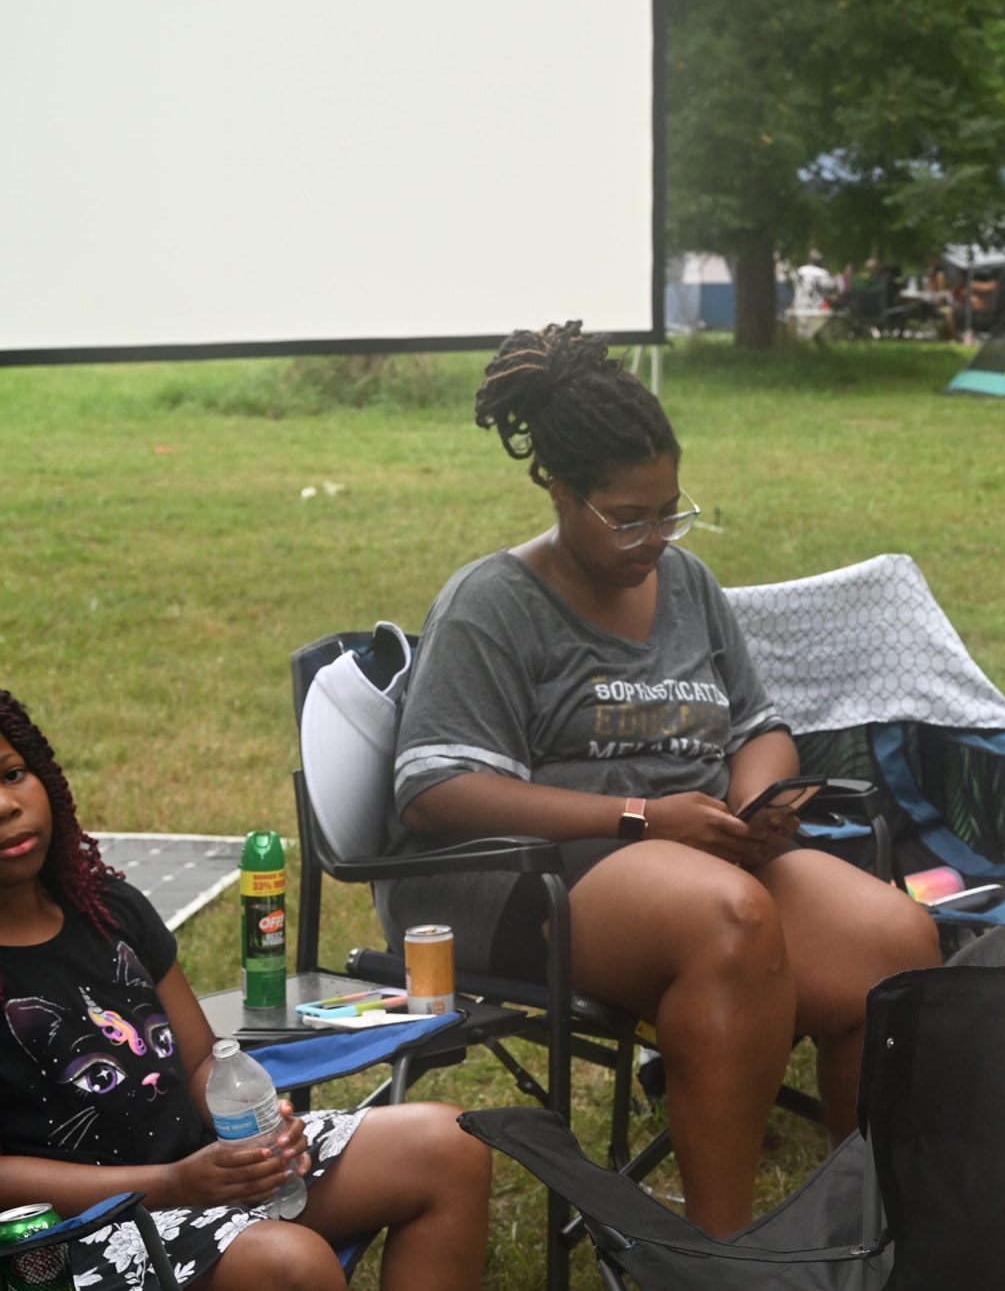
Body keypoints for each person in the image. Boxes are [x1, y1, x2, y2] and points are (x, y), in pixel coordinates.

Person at [383, 321, 938, 1236]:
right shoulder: (492, 602)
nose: (652, 537)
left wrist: (756, 801)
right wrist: (641, 816)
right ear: (559, 491)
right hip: (530, 872)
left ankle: (859, 1229)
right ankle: (716, 1252)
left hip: (696, 847)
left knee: (896, 936)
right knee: (730, 916)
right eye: (627, 516)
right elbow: (436, 789)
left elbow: (760, 725)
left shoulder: (688, 584)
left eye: (668, 510)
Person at [0, 690, 491, 1291]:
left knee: (449, 1144)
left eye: (13, 774)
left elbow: (203, 1057)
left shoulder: (107, 909)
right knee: (291, 1263)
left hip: (201, 1171)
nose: (6, 805)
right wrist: (174, 1185)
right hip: (63, 1238)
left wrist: (258, 1135)